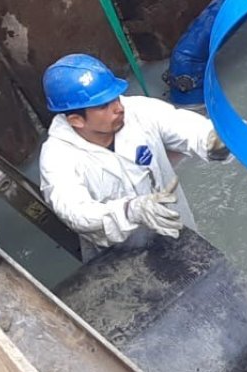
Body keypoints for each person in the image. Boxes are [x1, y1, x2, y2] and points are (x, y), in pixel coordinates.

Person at [39, 53, 228, 260]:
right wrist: (131, 210)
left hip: (179, 230)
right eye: (103, 106)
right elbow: (75, 211)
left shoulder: (137, 110)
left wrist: (214, 140)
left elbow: (183, 125)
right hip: (123, 261)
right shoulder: (57, 158)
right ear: (76, 120)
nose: (119, 108)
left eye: (115, 97)